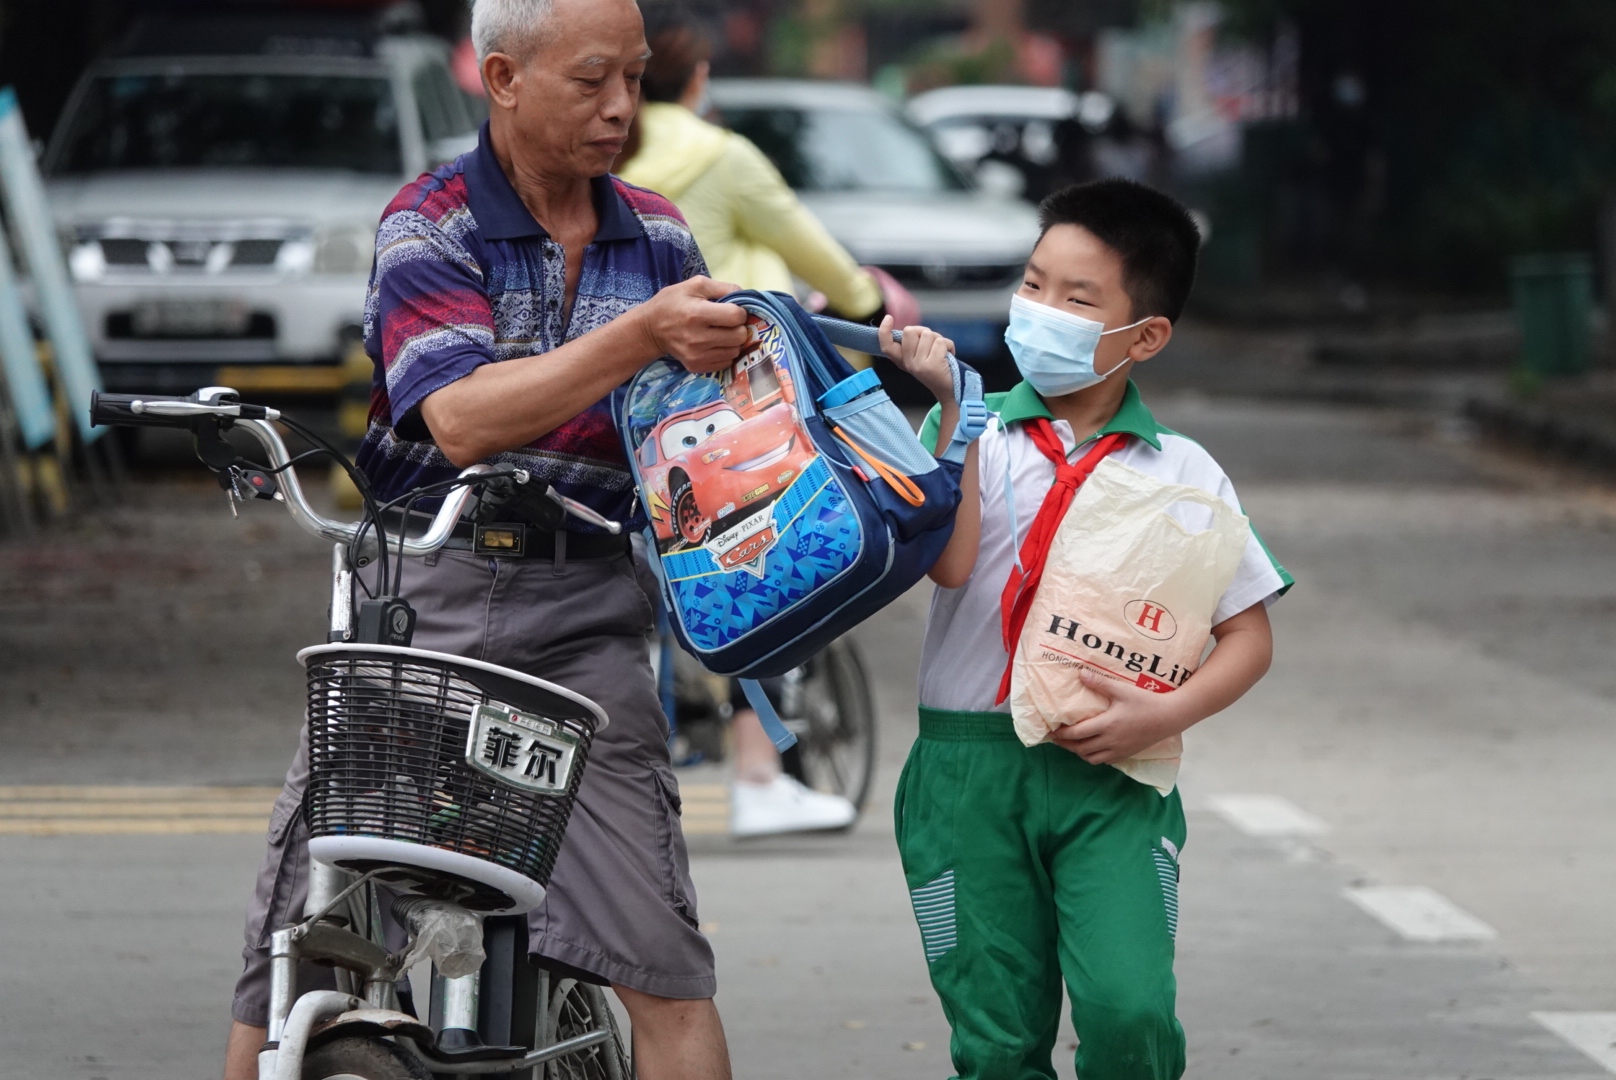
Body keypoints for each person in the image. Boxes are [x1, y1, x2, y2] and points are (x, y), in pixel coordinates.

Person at [222, 1, 746, 1078]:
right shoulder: (430, 223)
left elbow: (702, 444)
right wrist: (639, 336)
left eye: (635, 79)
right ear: (502, 77)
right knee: (295, 935)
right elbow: (458, 417)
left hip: (588, 618)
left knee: (664, 961)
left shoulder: (658, 237)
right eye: (592, 80)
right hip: (422, 606)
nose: (620, 108)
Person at [877, 178, 1293, 1080]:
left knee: (1129, 1011)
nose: (1040, 311)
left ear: (1145, 337)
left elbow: (1249, 637)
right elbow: (949, 566)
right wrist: (957, 411)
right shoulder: (970, 432)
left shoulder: (1183, 472)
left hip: (1113, 778)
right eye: (1033, 285)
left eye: (1077, 298)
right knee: (995, 1043)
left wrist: (1163, 716)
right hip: (966, 775)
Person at [616, 6, 907, 837]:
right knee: (770, 553)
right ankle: (757, 774)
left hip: (628, 406)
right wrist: (868, 307)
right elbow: (822, 262)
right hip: (724, 402)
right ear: (698, 79)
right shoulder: (721, 154)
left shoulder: (609, 159)